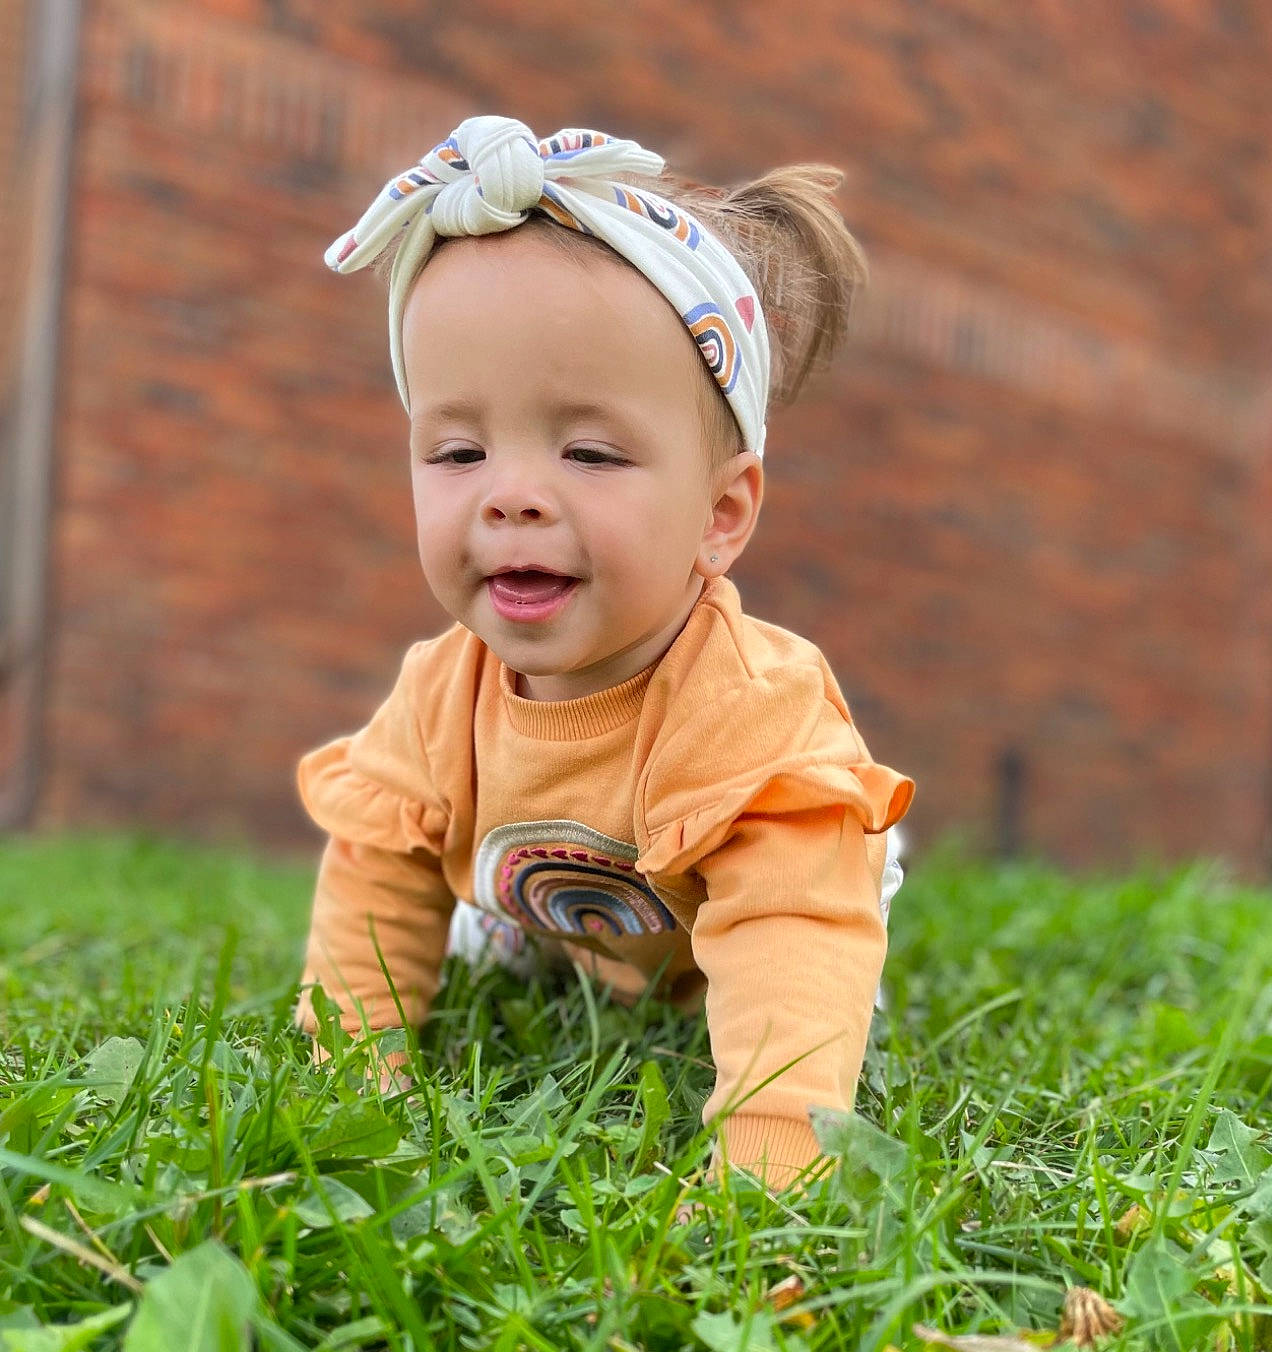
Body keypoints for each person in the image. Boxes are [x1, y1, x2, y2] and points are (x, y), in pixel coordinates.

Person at [297, 117, 913, 1189]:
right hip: (567, 906)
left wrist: (767, 1159)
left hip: (739, 919)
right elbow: (375, 882)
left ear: (720, 515)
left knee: (805, 961)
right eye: (458, 449)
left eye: (587, 451)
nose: (513, 492)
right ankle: (531, 943)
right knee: (474, 913)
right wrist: (354, 1083)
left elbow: (788, 918)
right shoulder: (438, 696)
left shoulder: (750, 711)